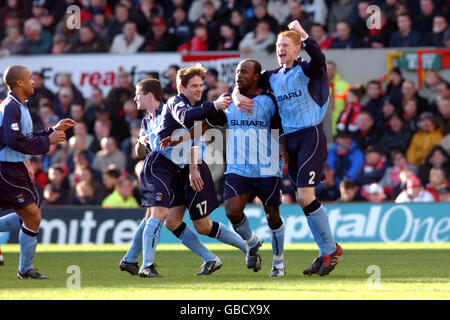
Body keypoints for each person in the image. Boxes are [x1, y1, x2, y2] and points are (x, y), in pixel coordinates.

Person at [233, 20, 342, 276]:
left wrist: (304, 34)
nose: (281, 49)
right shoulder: (272, 77)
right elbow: (246, 84)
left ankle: (329, 250)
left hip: (310, 134)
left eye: (286, 45)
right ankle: (327, 250)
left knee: (305, 196)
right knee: (305, 201)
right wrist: (237, 96)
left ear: (296, 49)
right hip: (290, 140)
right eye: (278, 45)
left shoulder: (306, 69)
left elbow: (319, 57)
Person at [162, 59, 286, 276]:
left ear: (256, 76)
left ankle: (278, 262)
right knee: (232, 211)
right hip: (238, 167)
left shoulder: (269, 101)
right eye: (238, 71)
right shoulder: (229, 102)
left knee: (273, 216)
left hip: (267, 166)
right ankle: (250, 242)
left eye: (244, 72)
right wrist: (178, 138)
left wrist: (282, 156)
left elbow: (280, 130)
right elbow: (207, 124)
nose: (239, 75)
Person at [119, 72, 245, 278]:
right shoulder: (146, 121)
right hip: (170, 169)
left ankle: (246, 246)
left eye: (137, 94)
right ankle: (135, 260)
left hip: (188, 167)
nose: (135, 99)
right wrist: (142, 142)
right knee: (166, 219)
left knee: (199, 224)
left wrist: (194, 167)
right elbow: (141, 152)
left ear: (149, 95)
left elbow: (194, 136)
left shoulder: (169, 110)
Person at [0, 65, 74, 279]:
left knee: (31, 216)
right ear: (19, 83)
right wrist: (47, 141)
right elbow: (12, 140)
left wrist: (52, 130)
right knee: (32, 216)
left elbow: (25, 135)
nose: (34, 81)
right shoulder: (11, 106)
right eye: (30, 78)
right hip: (8, 169)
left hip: (15, 168)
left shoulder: (20, 106)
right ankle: (25, 269)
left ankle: (25, 269)